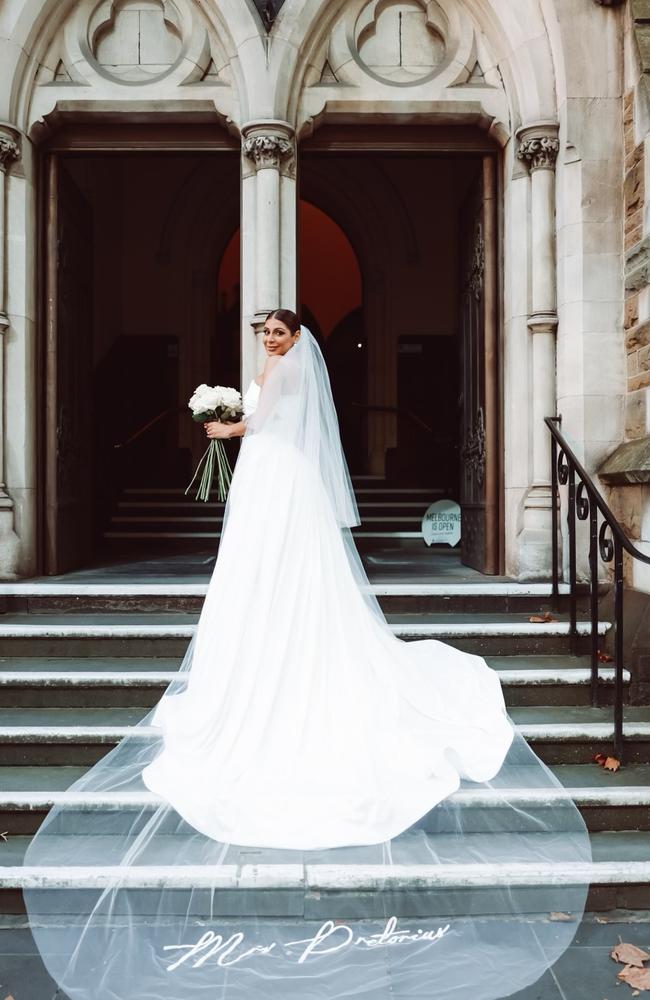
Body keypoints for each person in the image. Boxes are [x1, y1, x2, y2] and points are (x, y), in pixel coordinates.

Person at [23, 310, 592, 1000]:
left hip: (278, 476)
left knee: (279, 568)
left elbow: (275, 427)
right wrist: (235, 422)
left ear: (295, 337)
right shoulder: (274, 367)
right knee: (260, 573)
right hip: (268, 477)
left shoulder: (289, 370)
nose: (268, 339)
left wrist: (228, 427)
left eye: (277, 330)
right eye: (261, 330)